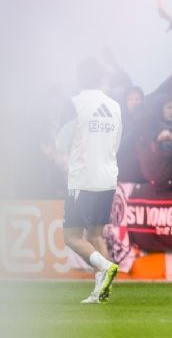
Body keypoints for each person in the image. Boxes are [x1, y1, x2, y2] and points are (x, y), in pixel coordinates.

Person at [57, 58, 123, 305]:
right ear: (102, 77)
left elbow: (61, 143)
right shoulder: (114, 105)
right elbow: (117, 142)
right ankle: (101, 292)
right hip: (107, 177)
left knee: (71, 237)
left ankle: (105, 267)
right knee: (96, 235)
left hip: (82, 179)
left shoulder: (74, 103)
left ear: (78, 77)